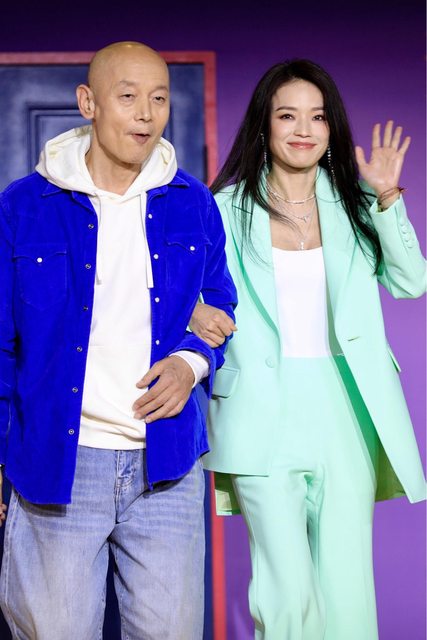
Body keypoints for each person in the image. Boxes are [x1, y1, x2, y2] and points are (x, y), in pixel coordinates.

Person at [0, 41, 237, 639]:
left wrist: (191, 362)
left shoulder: (193, 203)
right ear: (88, 103)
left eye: (159, 98)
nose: (146, 113)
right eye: (128, 96)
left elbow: (220, 306)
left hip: (167, 464)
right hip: (58, 463)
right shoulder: (24, 207)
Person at [190, 59, 426, 639]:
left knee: (347, 588)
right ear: (263, 125)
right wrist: (193, 310)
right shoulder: (222, 208)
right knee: (286, 593)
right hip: (257, 412)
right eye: (287, 115)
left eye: (317, 117)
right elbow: (189, 293)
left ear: (331, 128)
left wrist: (388, 196)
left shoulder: (358, 204)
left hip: (346, 408)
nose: (303, 129)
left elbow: (412, 282)